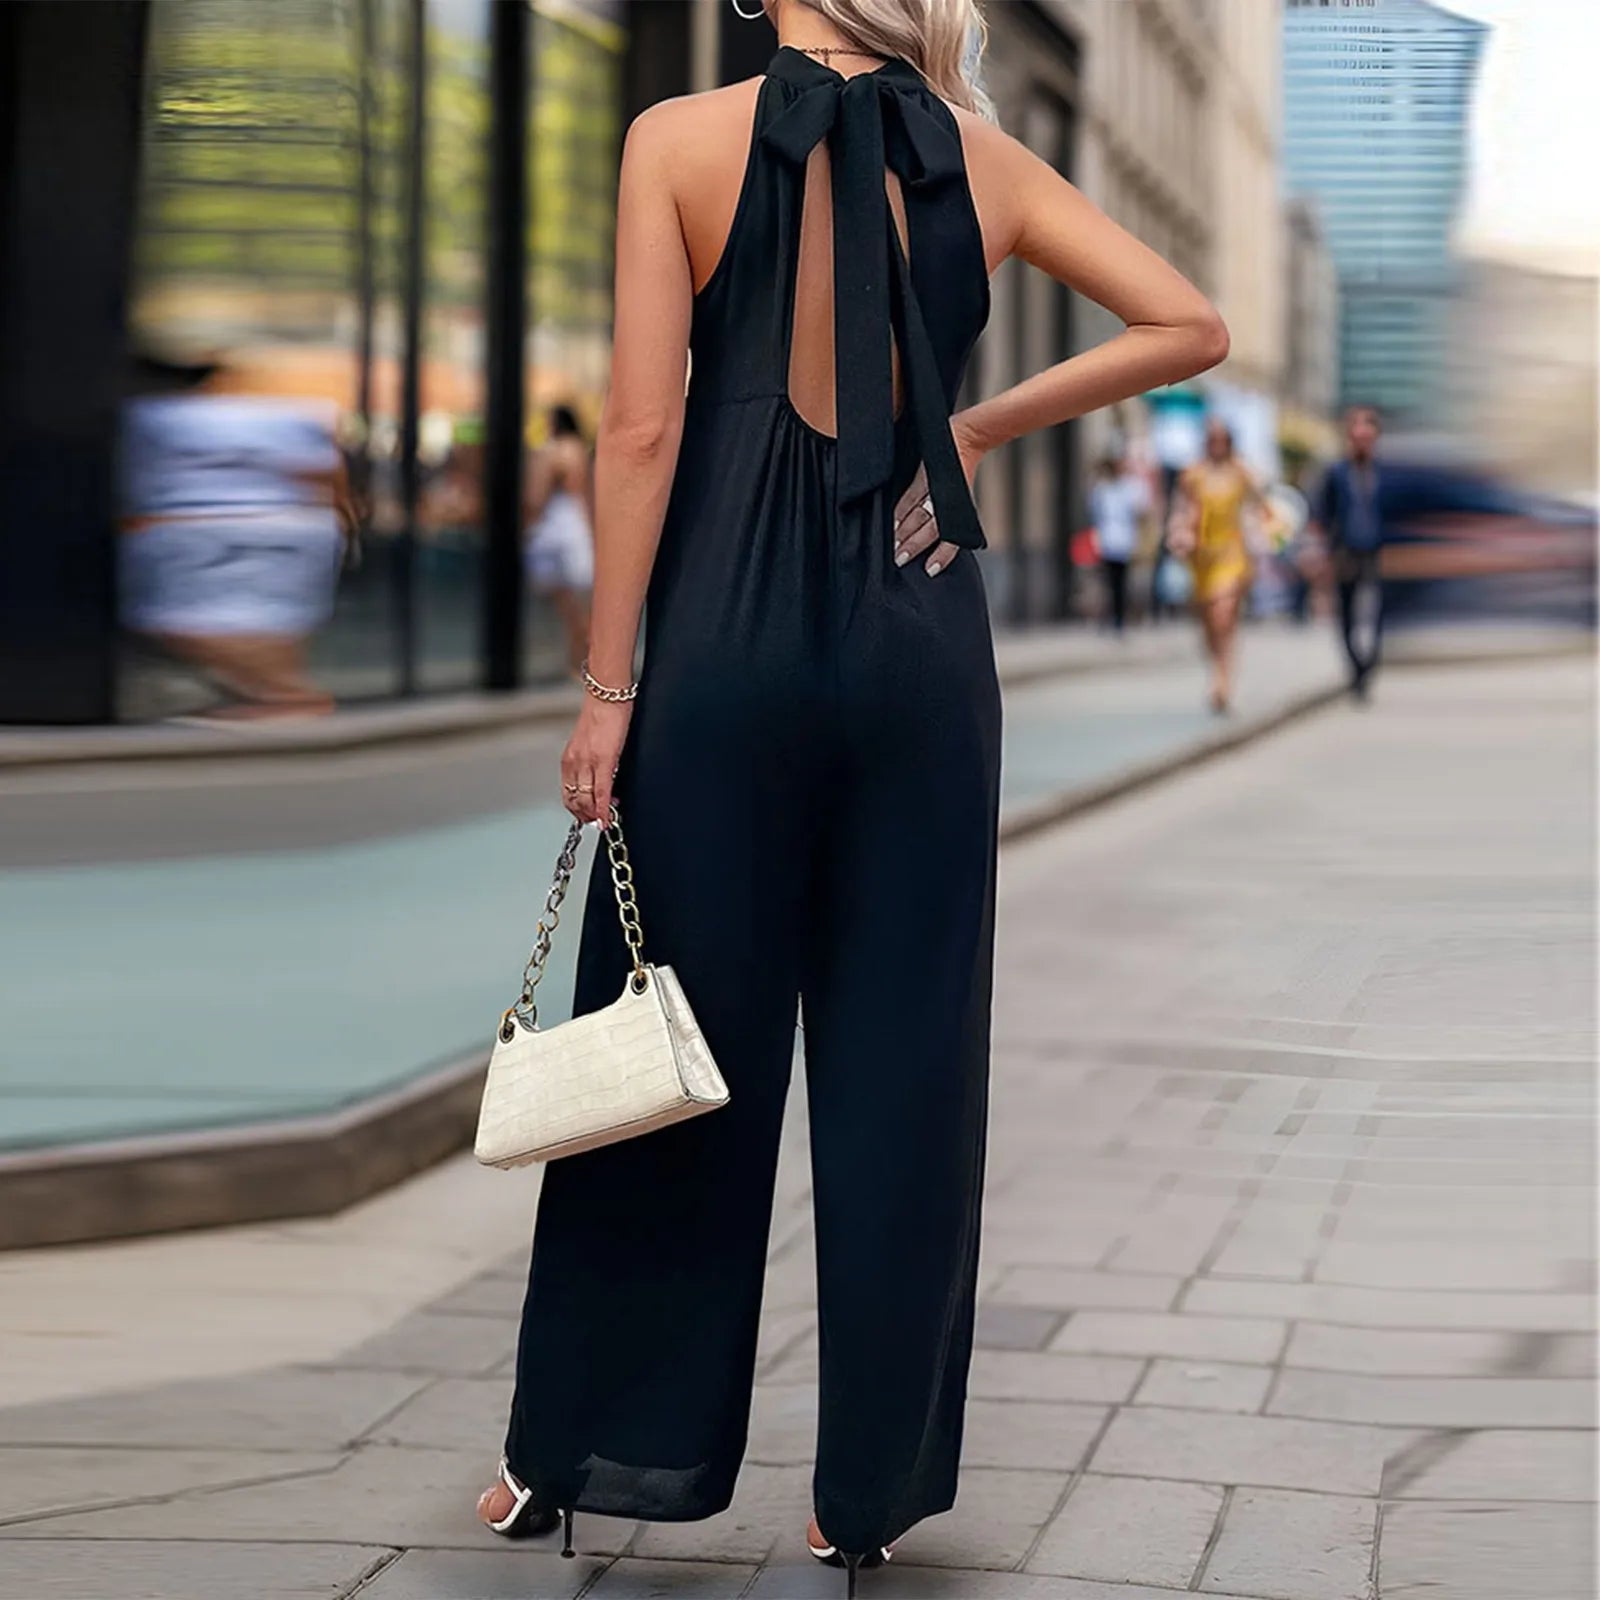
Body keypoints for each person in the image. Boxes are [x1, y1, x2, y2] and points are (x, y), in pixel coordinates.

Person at [477, 0, 1228, 1587]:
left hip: (719, 651)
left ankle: (586, 1448)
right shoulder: (991, 162)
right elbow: (1189, 325)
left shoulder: (674, 141)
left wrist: (608, 688)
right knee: (908, 1060)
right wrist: (963, 425)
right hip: (921, 649)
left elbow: (638, 430)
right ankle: (867, 1495)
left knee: (669, 1039)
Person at [119, 357, 351, 721]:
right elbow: (323, 475)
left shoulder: (164, 419)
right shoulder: (290, 419)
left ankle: (281, 694)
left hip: (207, 525)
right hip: (289, 525)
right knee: (268, 620)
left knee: (181, 619)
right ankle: (278, 693)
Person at [1168, 418, 1270, 714]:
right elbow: (1182, 509)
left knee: (1223, 613)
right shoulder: (1192, 474)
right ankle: (1217, 665)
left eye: (1221, 439)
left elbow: (1261, 504)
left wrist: (1263, 533)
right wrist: (1180, 534)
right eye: (1212, 439)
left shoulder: (1241, 472)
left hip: (1232, 550)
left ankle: (1222, 679)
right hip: (1201, 554)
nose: (1216, 444)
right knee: (1207, 619)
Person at [1311, 404, 1388, 699]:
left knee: (1379, 612)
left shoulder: (1385, 474)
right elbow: (1322, 512)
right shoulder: (1336, 472)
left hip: (1378, 551)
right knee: (1346, 614)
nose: (1361, 440)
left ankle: (1369, 664)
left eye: (1367, 435)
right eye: (1356, 435)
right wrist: (1322, 551)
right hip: (1345, 551)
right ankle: (1356, 668)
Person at [525, 403, 596, 676]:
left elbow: (535, 496)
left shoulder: (552, 452)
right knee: (581, 603)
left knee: (567, 604)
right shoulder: (581, 450)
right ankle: (581, 660)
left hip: (557, 527)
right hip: (580, 525)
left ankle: (577, 662)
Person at [1087, 450, 1150, 634]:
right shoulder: (1101, 489)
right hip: (1107, 540)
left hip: (1124, 540)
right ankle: (1108, 617)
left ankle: (1120, 618)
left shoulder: (1128, 488)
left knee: (1121, 582)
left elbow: (1141, 509)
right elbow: (1094, 512)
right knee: (1108, 582)